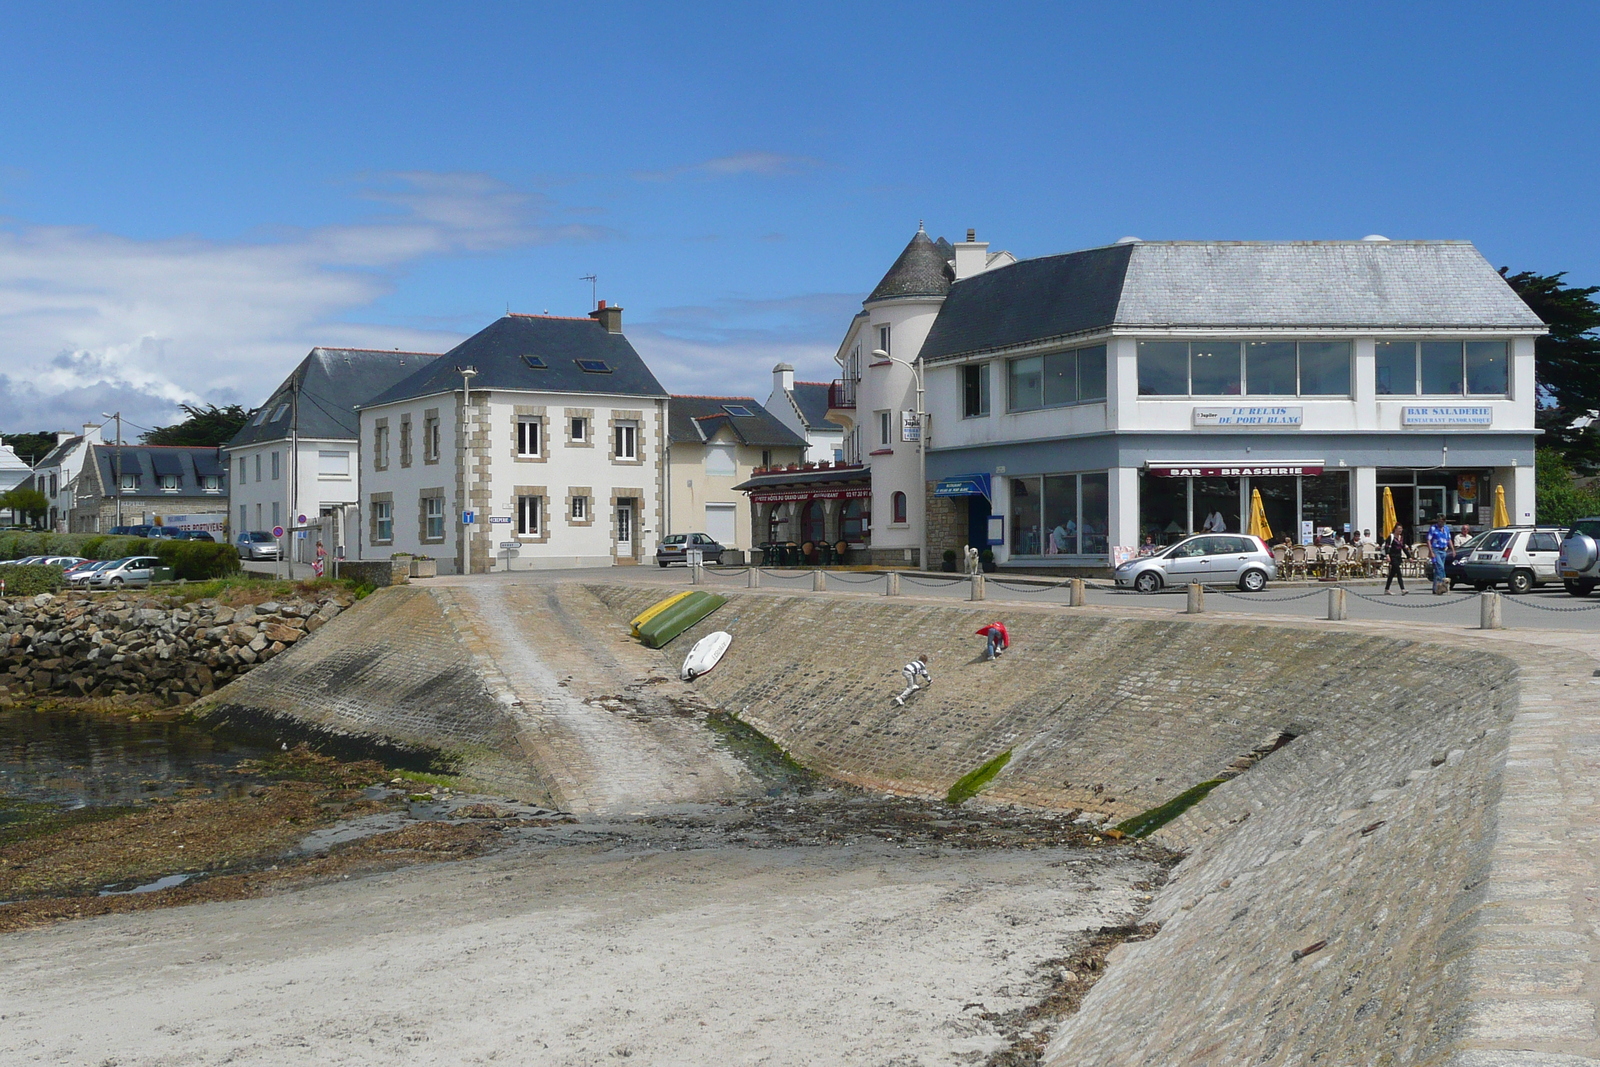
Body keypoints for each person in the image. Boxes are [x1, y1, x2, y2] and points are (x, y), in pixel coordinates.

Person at [1427, 515, 1453, 594]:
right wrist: (1431, 551)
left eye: (1443, 521)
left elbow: (1449, 539)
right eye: (1440, 521)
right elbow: (1428, 540)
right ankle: (1443, 585)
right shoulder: (1433, 528)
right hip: (1436, 550)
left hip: (1443, 550)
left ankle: (1436, 588)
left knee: (1438, 570)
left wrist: (1453, 549)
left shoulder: (1446, 529)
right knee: (1440, 567)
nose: (1441, 522)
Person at [1384, 523, 1408, 595]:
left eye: (1401, 529)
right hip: (1392, 556)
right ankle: (1402, 589)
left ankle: (1386, 589)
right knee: (1399, 573)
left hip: (1398, 557)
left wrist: (1409, 556)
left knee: (1392, 574)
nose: (1400, 530)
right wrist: (1387, 555)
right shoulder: (1391, 537)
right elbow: (1387, 546)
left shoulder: (1401, 537)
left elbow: (1403, 547)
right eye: (1399, 529)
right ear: (1395, 529)